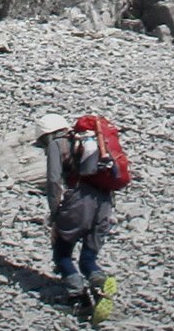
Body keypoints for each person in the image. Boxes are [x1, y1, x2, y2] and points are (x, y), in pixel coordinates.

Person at [36, 112, 118, 319]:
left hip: (79, 201)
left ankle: (79, 301)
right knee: (87, 259)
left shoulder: (58, 144)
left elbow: (54, 181)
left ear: (47, 135)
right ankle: (99, 282)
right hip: (105, 203)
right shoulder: (88, 141)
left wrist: (55, 214)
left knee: (62, 253)